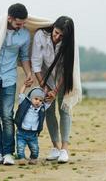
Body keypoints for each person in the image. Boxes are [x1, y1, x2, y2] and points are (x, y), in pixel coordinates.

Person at [0, 3, 33, 165]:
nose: (21, 26)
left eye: (24, 23)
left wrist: (29, 74)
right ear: (9, 18)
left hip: (9, 79)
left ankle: (9, 154)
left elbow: (24, 57)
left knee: (7, 116)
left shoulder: (25, 35)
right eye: (19, 23)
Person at [31, 16, 75, 163]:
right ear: (53, 27)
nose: (57, 37)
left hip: (63, 79)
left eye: (61, 36)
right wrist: (45, 87)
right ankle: (55, 147)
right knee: (48, 111)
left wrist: (56, 90)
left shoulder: (69, 44)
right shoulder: (40, 35)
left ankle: (64, 149)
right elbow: (36, 64)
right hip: (44, 77)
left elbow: (66, 69)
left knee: (64, 110)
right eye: (56, 32)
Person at [14, 84, 51, 165]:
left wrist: (48, 93)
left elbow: (49, 101)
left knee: (35, 149)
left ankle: (33, 158)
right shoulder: (24, 103)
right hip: (21, 132)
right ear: (31, 98)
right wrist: (24, 85)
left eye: (40, 100)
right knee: (20, 148)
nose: (38, 101)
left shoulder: (42, 108)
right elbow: (21, 94)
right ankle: (21, 158)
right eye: (36, 99)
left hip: (33, 134)